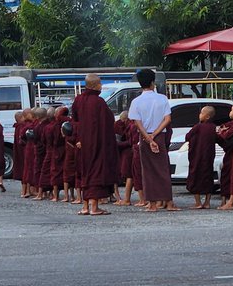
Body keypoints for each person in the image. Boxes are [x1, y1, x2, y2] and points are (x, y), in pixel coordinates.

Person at [69, 73, 119, 217]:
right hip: (97, 142)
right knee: (96, 172)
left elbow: (75, 121)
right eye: (100, 84)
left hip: (82, 143)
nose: (101, 86)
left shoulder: (78, 100)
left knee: (85, 172)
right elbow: (108, 121)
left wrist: (77, 138)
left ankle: (85, 206)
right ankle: (94, 207)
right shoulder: (98, 102)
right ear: (95, 85)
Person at [128, 68, 177, 212]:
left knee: (148, 170)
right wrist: (155, 135)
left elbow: (137, 122)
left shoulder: (136, 101)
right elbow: (167, 119)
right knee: (163, 169)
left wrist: (148, 138)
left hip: (144, 137)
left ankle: (153, 204)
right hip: (159, 136)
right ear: (152, 82)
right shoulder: (162, 98)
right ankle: (168, 203)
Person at [185, 105, 218, 209]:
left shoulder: (198, 127)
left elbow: (188, 136)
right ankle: (207, 202)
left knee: (195, 178)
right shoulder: (213, 127)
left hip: (197, 157)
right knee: (208, 177)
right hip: (208, 157)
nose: (199, 115)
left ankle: (198, 202)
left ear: (207, 117)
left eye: (202, 113)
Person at [11, 110, 28, 195]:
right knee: (26, 169)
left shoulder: (17, 127)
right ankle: (27, 190)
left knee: (22, 169)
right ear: (21, 118)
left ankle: (23, 190)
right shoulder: (22, 126)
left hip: (18, 150)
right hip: (23, 150)